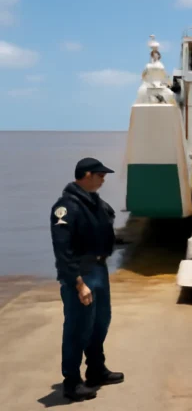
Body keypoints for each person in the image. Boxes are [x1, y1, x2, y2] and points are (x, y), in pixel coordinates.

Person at [51, 158, 124, 401]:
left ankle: (96, 370)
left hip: (99, 269)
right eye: (100, 175)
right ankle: (71, 382)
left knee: (100, 322)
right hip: (81, 273)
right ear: (87, 174)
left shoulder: (94, 202)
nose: (104, 179)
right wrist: (77, 282)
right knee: (77, 327)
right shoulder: (66, 207)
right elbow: (62, 249)